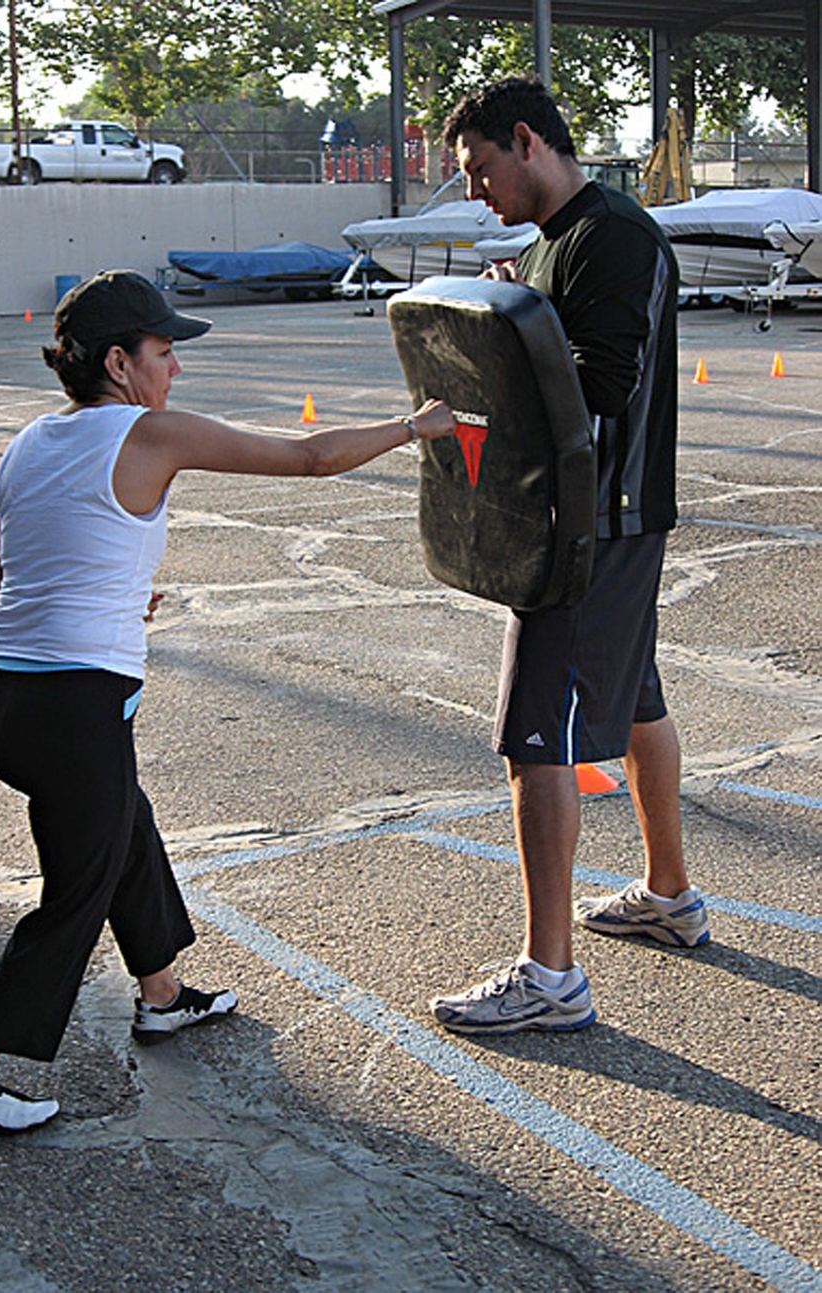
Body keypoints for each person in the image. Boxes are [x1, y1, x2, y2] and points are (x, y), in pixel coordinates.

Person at [0, 268, 455, 1133]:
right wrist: (413, 426)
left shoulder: (24, 443)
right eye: (166, 353)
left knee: (124, 822)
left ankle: (161, 993)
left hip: (4, 700)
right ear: (121, 362)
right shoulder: (149, 434)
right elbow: (309, 458)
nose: (177, 370)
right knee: (76, 890)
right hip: (73, 709)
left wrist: (105, 596)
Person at [429, 77, 709, 1037]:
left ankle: (549, 976)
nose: (475, 192)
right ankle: (669, 894)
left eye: (478, 169)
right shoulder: (555, 245)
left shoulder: (614, 238)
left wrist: (500, 348)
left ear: (524, 141)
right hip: (599, 519)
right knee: (636, 701)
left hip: (596, 523)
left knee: (532, 736)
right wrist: (510, 312)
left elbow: (604, 386)